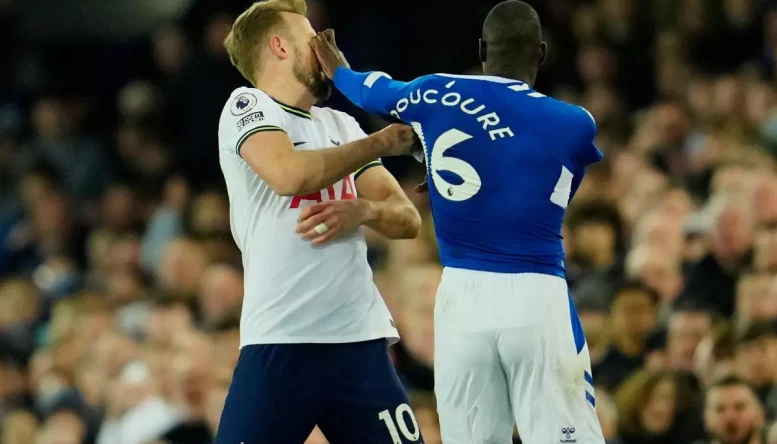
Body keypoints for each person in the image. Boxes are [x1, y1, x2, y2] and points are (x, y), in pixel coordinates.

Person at [312, 1, 605, 442]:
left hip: (461, 300)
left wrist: (336, 70)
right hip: (534, 295)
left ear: (482, 48)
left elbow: (369, 90)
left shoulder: (432, 91)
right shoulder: (574, 122)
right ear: (542, 53)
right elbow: (553, 187)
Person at [215, 0, 424, 442]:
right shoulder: (248, 106)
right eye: (313, 40)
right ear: (279, 46)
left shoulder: (342, 124)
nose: (327, 52)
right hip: (282, 338)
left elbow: (407, 218)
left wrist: (365, 210)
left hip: (358, 340)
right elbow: (290, 174)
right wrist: (380, 143)